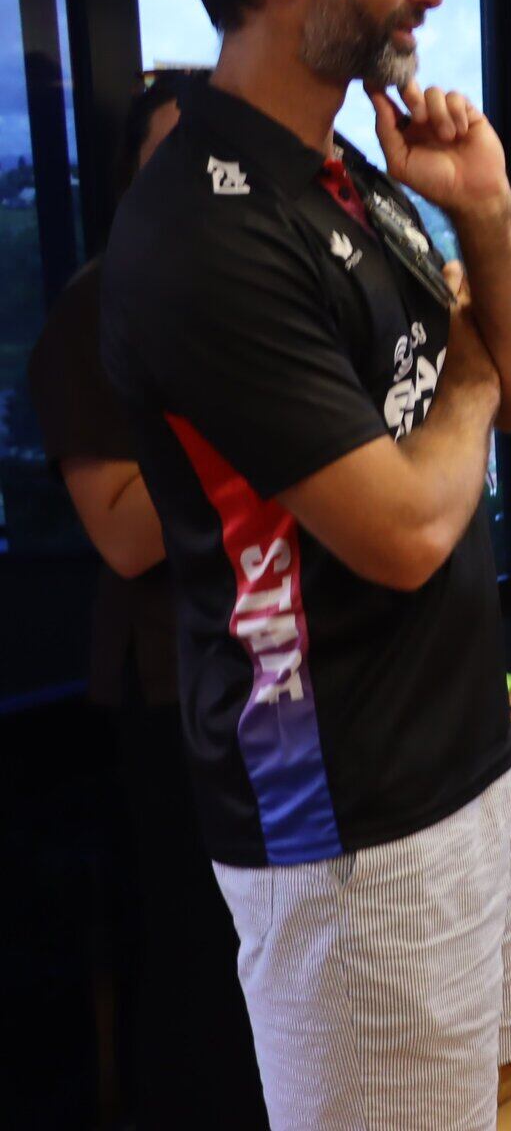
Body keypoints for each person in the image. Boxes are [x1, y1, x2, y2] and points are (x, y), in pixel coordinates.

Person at [99, 0, 511, 1127]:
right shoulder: (202, 233)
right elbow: (410, 526)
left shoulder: (347, 172)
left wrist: (486, 212)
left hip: (457, 770)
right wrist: (468, 371)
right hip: (348, 826)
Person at [26, 70, 266, 1127]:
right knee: (197, 954)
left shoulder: (253, 296)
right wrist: (282, 461)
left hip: (273, 671)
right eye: (173, 153)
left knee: (270, 945)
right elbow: (125, 537)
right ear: (132, 177)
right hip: (168, 683)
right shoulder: (93, 306)